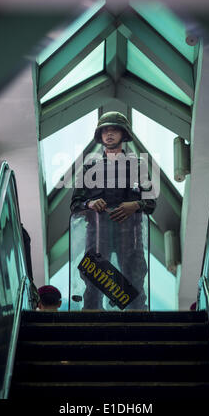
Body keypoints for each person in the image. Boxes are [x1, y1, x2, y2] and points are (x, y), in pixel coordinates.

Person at [70, 111, 157, 311]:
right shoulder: (89, 167)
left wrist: (135, 205)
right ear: (99, 135)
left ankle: (139, 327)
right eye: (105, 130)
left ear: (123, 134)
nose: (109, 134)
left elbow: (151, 202)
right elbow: (75, 204)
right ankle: (92, 323)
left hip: (131, 233)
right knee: (93, 281)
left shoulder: (137, 165)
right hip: (98, 232)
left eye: (114, 130)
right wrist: (89, 205)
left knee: (134, 278)